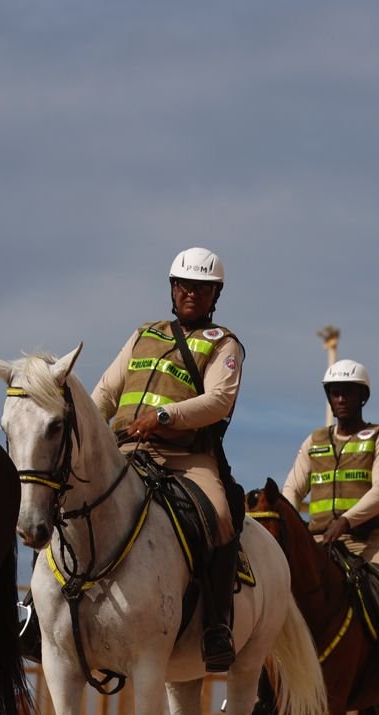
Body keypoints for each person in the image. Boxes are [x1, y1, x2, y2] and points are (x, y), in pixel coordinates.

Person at [92, 247, 244, 672]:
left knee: (221, 514)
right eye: (183, 286)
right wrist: (88, 428)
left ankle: (217, 626)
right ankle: (35, 609)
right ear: (172, 289)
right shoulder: (144, 334)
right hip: (124, 450)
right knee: (68, 492)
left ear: (216, 295)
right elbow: (105, 392)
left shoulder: (224, 344)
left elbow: (218, 401)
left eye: (201, 288)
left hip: (183, 456)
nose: (190, 294)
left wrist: (163, 417)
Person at [281, 359, 379, 715]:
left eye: (347, 391)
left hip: (365, 543)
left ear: (363, 396)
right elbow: (292, 489)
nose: (340, 398)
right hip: (316, 544)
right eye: (334, 392)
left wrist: (346, 520)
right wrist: (290, 524)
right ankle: (264, 694)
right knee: (269, 596)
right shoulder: (313, 442)